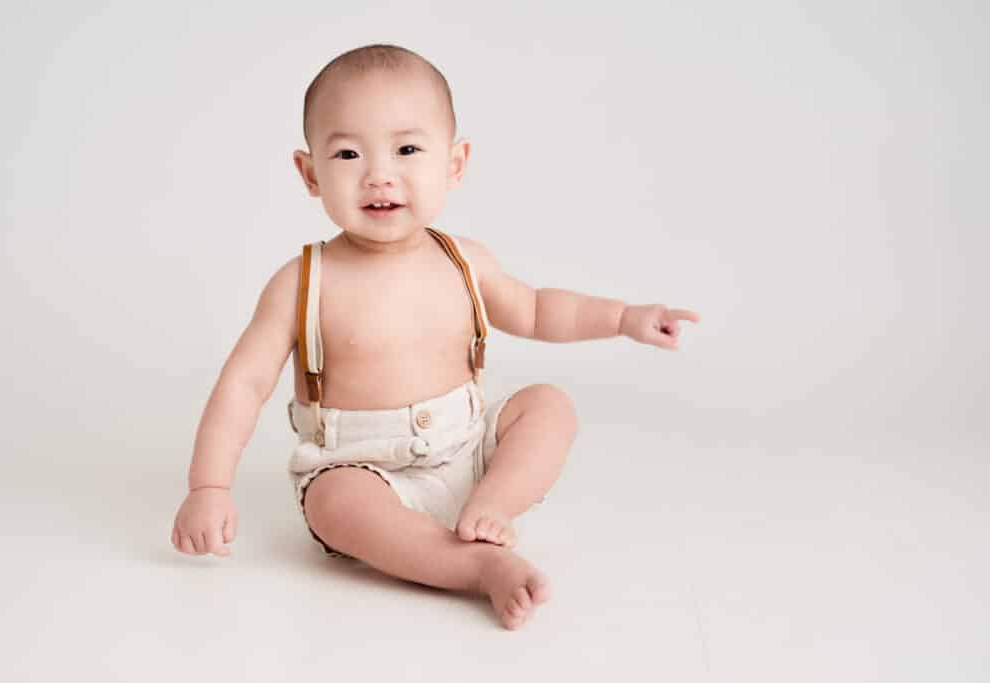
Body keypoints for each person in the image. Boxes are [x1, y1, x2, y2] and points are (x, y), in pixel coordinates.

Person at [170, 43, 700, 630]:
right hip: (361, 466)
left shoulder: (463, 260)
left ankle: (494, 503)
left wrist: (623, 318)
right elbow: (243, 385)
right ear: (310, 173)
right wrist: (209, 486)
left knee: (548, 406)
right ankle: (475, 567)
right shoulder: (302, 281)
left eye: (407, 149)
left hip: (468, 447)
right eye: (347, 153)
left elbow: (539, 310)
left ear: (454, 163)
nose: (379, 174)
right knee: (334, 505)